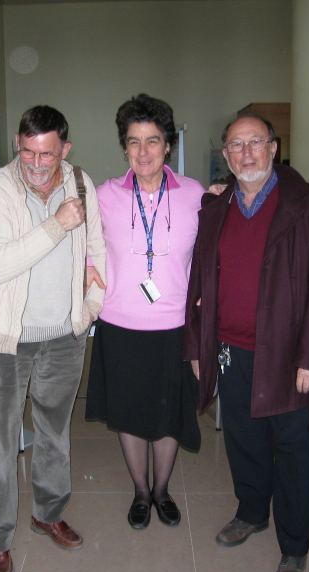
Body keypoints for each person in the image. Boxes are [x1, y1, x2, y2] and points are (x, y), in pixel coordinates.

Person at [183, 115, 309, 572]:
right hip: (229, 349)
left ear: (274, 147)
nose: (246, 153)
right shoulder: (216, 206)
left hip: (286, 353)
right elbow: (199, 281)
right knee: (243, 440)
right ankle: (251, 512)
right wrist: (198, 345)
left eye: (255, 142)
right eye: (236, 145)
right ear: (226, 155)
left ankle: (295, 545)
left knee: (291, 450)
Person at [0, 106, 106, 572]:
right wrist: (57, 224)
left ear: (64, 150)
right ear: (18, 143)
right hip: (11, 341)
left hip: (65, 337)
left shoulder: (80, 184)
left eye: (47, 154)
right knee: (0, 441)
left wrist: (89, 310)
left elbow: (98, 249)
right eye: (28, 151)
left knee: (54, 432)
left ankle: (48, 514)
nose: (36, 163)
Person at [85, 94, 204, 530]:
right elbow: (85, 245)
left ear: (168, 145)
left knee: (169, 414)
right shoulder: (104, 195)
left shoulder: (194, 195)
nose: (143, 151)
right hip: (121, 325)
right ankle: (140, 490)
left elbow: (213, 253)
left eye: (152, 140)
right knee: (130, 414)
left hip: (175, 326)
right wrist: (87, 267)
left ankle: (162, 489)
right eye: (133, 141)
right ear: (124, 147)